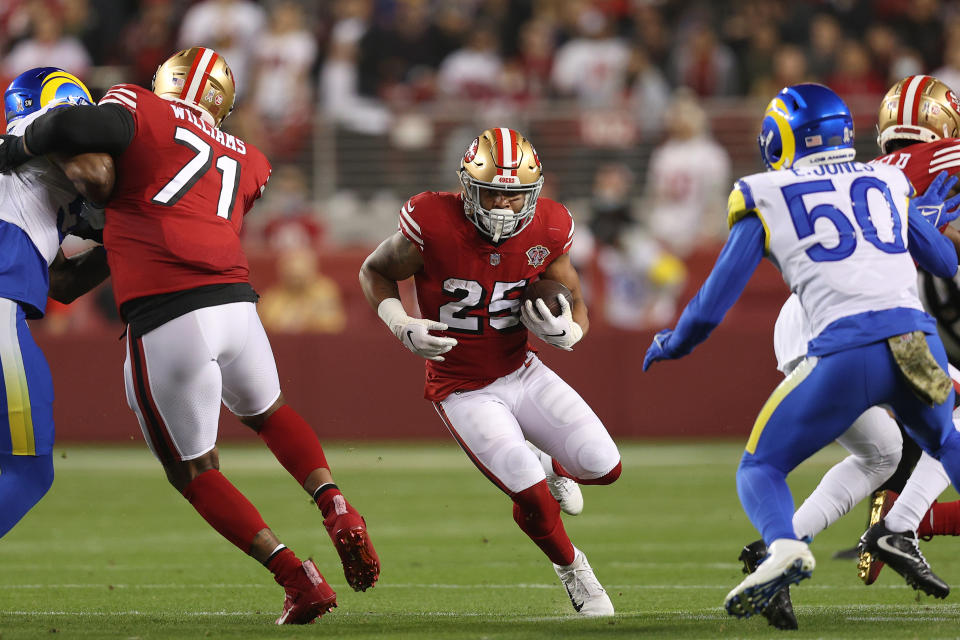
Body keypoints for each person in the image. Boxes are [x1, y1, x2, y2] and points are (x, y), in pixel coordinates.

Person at [0, 48, 379, 625]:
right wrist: (108, 225)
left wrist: (22, 147)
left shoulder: (138, 108)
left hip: (169, 312)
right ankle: (339, 508)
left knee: (194, 470)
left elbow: (80, 132)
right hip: (236, 303)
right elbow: (154, 206)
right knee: (271, 412)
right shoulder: (249, 158)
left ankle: (295, 578)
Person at [642, 82, 960, 621]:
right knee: (945, 437)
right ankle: (891, 529)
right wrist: (918, 219)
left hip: (841, 345)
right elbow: (944, 262)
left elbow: (710, 305)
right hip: (909, 341)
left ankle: (786, 545)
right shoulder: (883, 177)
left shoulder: (763, 192)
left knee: (766, 465)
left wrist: (673, 344)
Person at [359, 128, 622, 616]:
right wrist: (399, 322)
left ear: (533, 193)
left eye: (514, 193)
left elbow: (578, 301)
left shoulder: (549, 225)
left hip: (521, 369)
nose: (502, 204)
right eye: (491, 191)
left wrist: (572, 332)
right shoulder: (432, 220)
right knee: (534, 499)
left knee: (604, 468)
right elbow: (372, 270)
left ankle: (555, 465)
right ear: (466, 186)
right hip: (460, 387)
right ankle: (574, 570)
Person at [737, 74, 960, 629]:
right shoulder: (926, 167)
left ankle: (779, 553)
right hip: (845, 325)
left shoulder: (869, 172)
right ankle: (899, 527)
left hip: (819, 321)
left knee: (882, 453)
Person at [0, 67, 112, 537]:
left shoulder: (35, 175)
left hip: (11, 291)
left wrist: (123, 244)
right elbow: (99, 178)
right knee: (29, 469)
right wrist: (130, 209)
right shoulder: (47, 128)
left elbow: (61, 283)